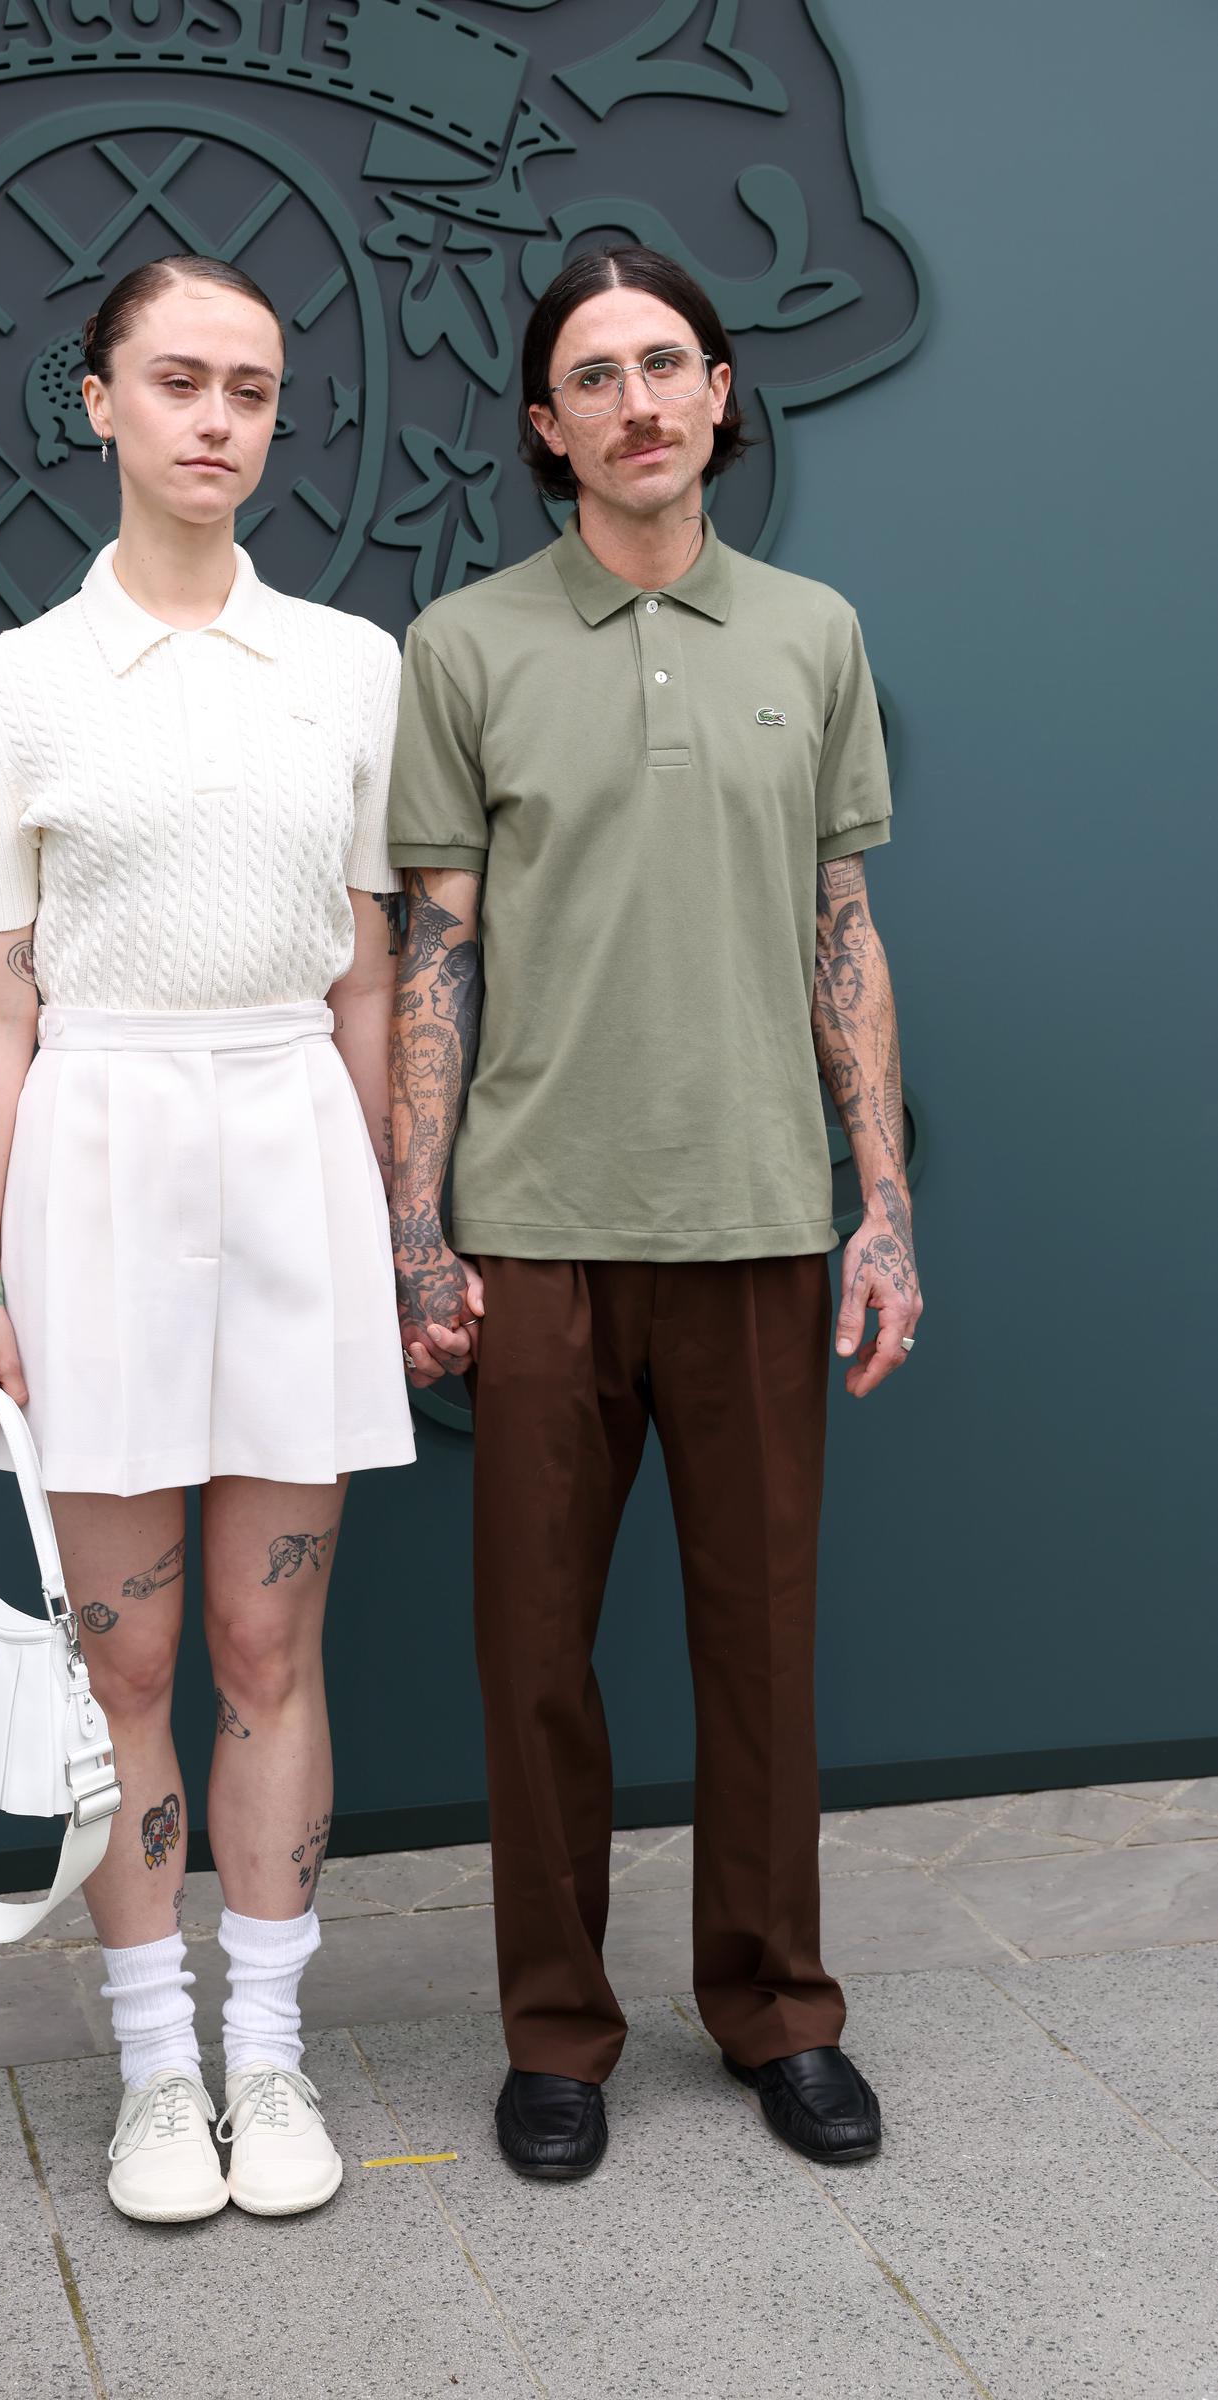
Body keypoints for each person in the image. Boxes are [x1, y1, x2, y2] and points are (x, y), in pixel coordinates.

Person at [386, 245, 923, 2180]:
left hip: (765, 1218)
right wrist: (415, 1225)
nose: (636, 400)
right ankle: (556, 2032)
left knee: (759, 1642)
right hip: (533, 1230)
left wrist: (884, 1207)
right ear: (547, 427)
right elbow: (435, 947)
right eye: (593, 376)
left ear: (717, 392)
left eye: (666, 363)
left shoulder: (812, 633)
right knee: (531, 1658)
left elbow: (839, 925)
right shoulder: (462, 647)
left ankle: (776, 2010)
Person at [0, 253, 414, 2224]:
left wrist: (397, 1215)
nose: (219, 419)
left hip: (290, 1132)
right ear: (98, 404)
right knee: (123, 1665)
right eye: (179, 381)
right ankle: (154, 2072)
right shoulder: (6, 688)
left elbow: (371, 970)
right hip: (96, 1156)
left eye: (255, 390)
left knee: (262, 1638)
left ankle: (273, 2061)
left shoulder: (353, 669)